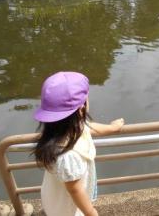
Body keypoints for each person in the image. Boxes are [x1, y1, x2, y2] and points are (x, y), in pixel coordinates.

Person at [33, 72, 125, 216]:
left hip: (56, 197)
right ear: (81, 108)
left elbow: (87, 127)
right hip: (67, 210)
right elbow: (75, 189)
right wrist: (91, 212)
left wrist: (113, 128)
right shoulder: (68, 156)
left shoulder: (62, 131)